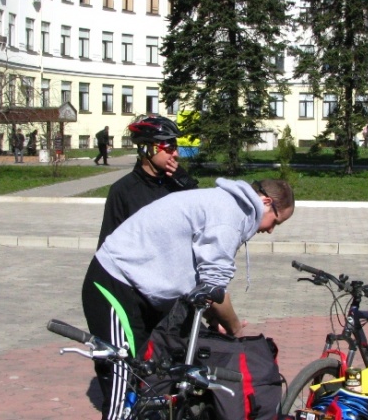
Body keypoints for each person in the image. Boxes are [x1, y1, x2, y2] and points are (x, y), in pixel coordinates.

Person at [83, 178, 295, 420]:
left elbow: (205, 286)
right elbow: (214, 287)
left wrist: (213, 317)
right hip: (116, 281)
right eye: (275, 221)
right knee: (124, 382)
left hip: (144, 290)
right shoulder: (230, 215)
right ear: (266, 202)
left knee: (152, 377)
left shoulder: (228, 206)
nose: (270, 230)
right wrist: (233, 326)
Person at [97, 115, 198, 249]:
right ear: (146, 149)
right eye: (169, 148)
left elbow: (204, 220)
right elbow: (107, 248)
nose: (175, 154)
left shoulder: (179, 185)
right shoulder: (123, 190)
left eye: (175, 147)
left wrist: (187, 182)